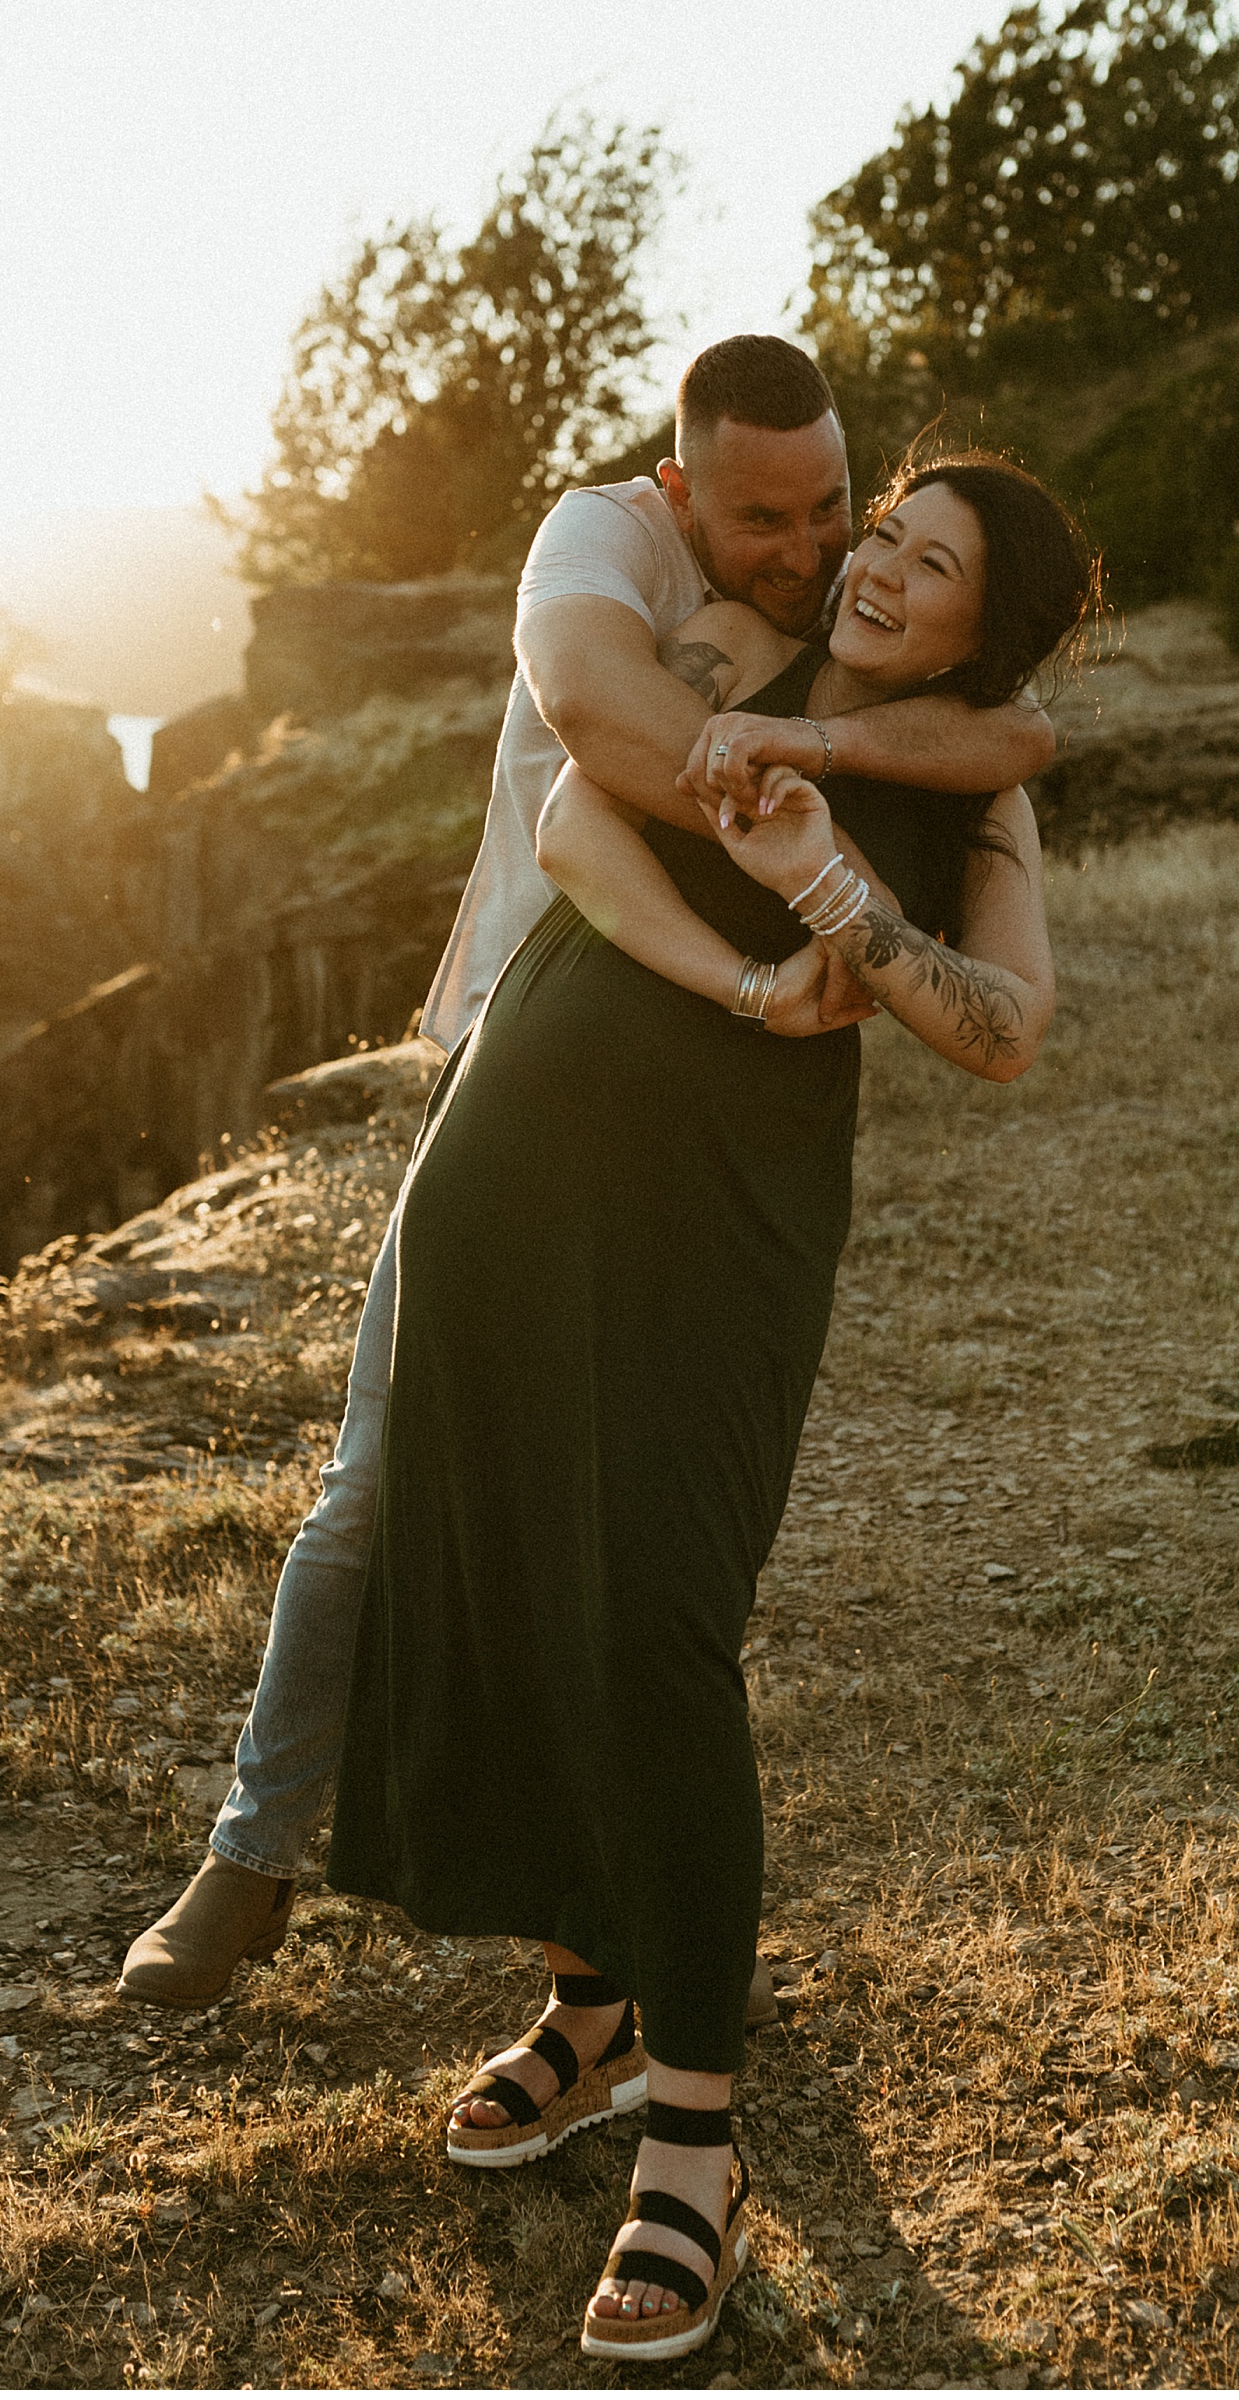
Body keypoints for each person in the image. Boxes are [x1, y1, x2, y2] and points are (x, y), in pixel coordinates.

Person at [119, 338, 1057, 2013]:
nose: (823, 547)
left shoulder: (829, 609)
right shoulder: (616, 554)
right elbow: (597, 744)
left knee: (639, 1550)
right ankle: (257, 1849)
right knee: (390, 1470)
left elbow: (1020, 734)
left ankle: (621, 1951)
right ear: (687, 491)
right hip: (529, 1042)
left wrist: (833, 787)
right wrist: (771, 931)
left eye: (849, 510)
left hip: (723, 1140)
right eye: (775, 517)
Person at [325, 446, 1097, 2362]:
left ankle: (697, 2138)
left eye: (930, 566)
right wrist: (756, 973)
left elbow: (999, 1031)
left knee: (662, 1613)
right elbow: (583, 828)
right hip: (525, 1147)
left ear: (985, 623)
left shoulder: (983, 787)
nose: (883, 574)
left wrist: (833, 889)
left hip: (729, 1207)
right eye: (887, 539)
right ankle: (591, 2006)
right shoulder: (734, 642)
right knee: (518, 1563)